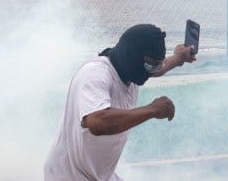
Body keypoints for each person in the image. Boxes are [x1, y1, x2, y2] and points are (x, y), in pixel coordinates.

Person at [44, 24, 197, 181]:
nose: (152, 72)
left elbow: (157, 68)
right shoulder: (95, 75)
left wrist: (179, 58)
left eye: (155, 65)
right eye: (149, 65)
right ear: (132, 56)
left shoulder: (131, 70)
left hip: (98, 175)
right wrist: (152, 110)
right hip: (67, 176)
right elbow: (97, 121)